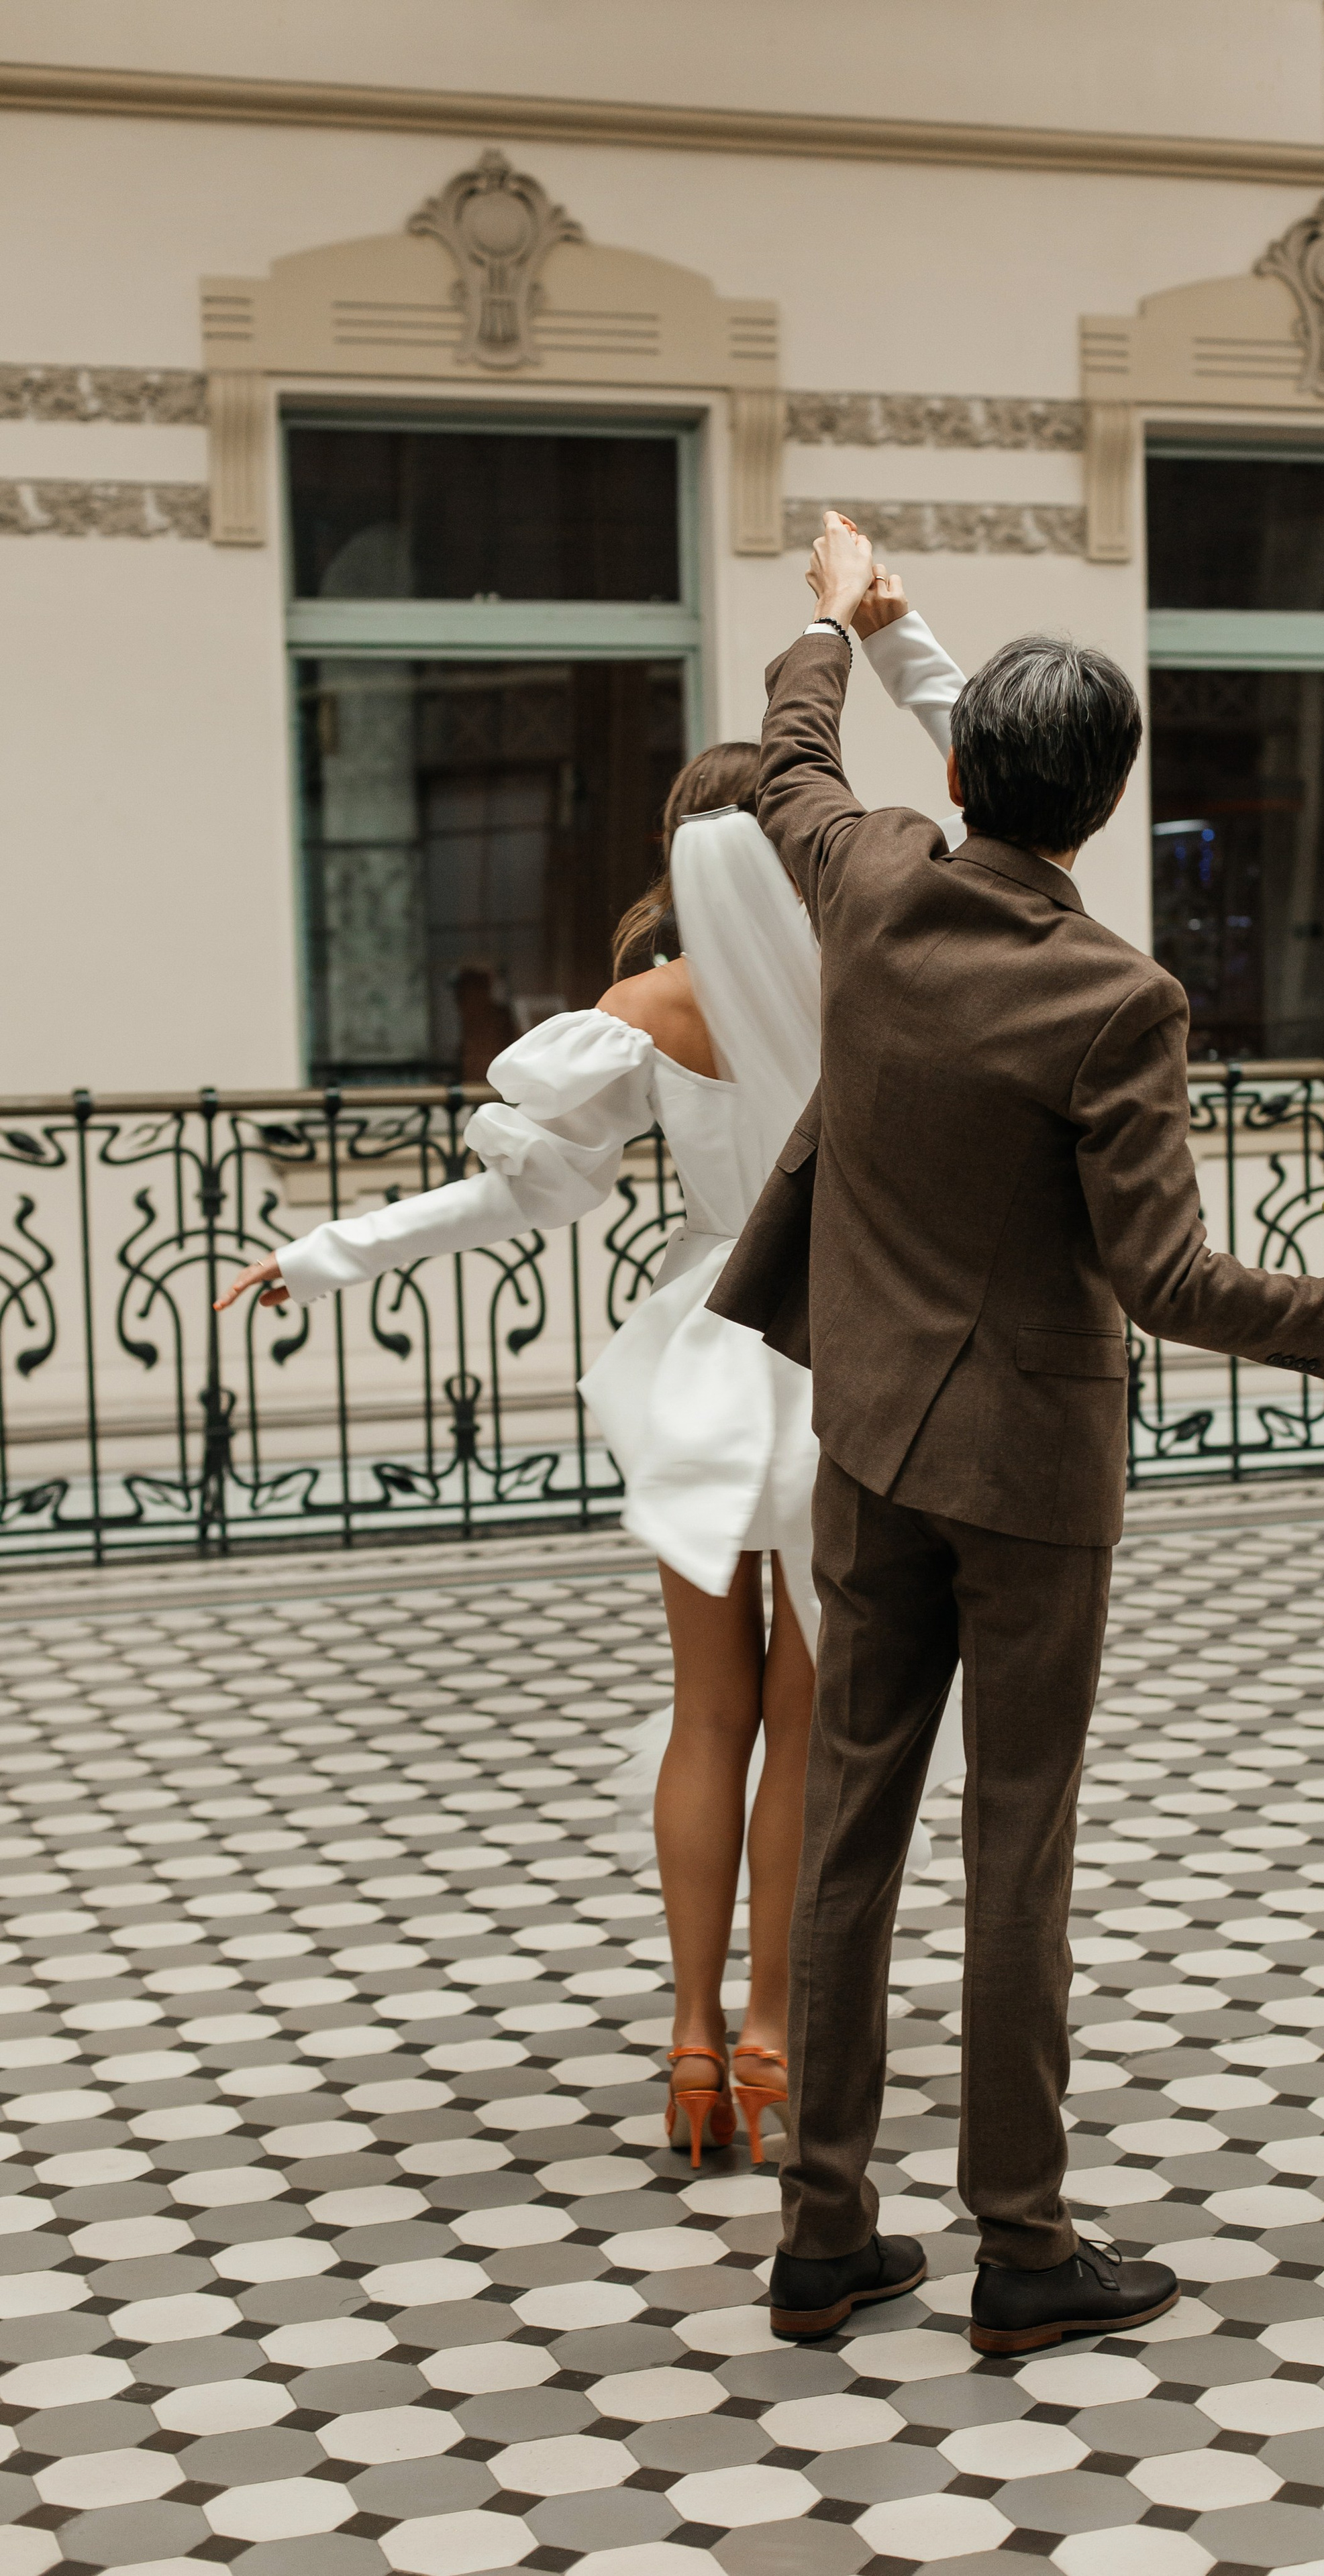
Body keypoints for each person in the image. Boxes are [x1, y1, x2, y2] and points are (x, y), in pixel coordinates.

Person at [709, 513, 1324, 2353]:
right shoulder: (1122, 996)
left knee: (856, 1831)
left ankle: (824, 2231)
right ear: (1105, 811)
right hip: (1029, 1482)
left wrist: (837, 622)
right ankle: (1023, 2252)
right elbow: (1170, 1279)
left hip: (867, 1443)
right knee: (1014, 1848)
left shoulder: (868, 882)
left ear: (955, 775)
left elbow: (792, 758)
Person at [214, 596, 969, 2170]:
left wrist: (329, 1251)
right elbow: (984, 791)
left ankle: (690, 2043)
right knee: (812, 1719)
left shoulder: (647, 1011)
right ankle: (775, 2033)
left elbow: (515, 1198)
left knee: (710, 1714)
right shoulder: (881, 971)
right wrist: (885, 634)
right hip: (850, 1353)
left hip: (710, 1350)